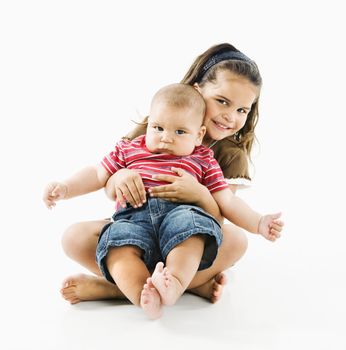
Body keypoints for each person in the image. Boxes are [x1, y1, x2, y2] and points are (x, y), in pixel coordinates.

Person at [57, 43, 279, 306]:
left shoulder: (229, 154)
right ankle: (186, 285)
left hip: (187, 236)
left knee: (236, 240)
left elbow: (219, 218)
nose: (230, 116)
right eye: (222, 101)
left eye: (242, 110)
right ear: (198, 90)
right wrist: (118, 179)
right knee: (74, 237)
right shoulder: (158, 124)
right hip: (135, 228)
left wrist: (199, 194)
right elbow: (105, 177)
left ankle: (118, 289)